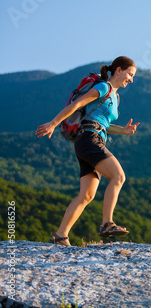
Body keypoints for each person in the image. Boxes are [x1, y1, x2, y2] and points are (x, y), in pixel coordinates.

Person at [36, 56, 140, 246]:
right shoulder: (103, 88)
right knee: (119, 176)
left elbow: (104, 123)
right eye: (130, 74)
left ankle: (60, 235)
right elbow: (77, 105)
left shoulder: (115, 97)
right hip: (89, 139)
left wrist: (123, 130)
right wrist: (53, 123)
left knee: (87, 194)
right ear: (118, 70)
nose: (131, 79)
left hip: (91, 139)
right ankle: (107, 224)